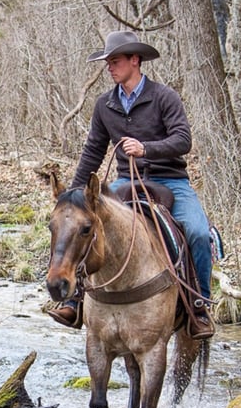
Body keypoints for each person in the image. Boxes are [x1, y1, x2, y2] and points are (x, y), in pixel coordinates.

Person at [48, 30, 214, 340]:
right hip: (125, 182)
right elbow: (93, 152)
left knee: (198, 233)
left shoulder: (165, 97)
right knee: (89, 228)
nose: (109, 67)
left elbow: (183, 140)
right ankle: (75, 301)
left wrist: (146, 148)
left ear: (135, 61)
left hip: (171, 180)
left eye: (115, 61)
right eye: (107, 62)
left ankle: (199, 305)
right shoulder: (105, 105)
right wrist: (71, 198)